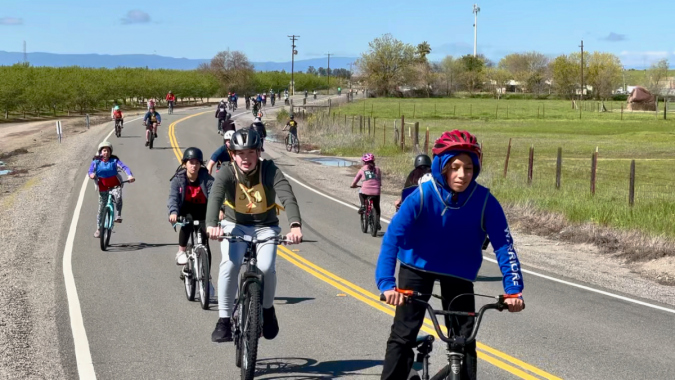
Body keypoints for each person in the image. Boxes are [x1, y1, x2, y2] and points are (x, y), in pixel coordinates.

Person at [376, 130, 525, 380]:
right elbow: (392, 238)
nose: (462, 175)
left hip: (458, 271)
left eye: (468, 168)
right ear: (443, 167)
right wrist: (387, 284)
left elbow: (504, 247)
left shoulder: (486, 201)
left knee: (464, 340)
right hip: (416, 266)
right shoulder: (422, 195)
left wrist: (514, 290)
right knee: (403, 335)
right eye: (455, 167)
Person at [205, 129, 303, 343]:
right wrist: (212, 225)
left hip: (265, 226)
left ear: (259, 151)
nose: (246, 158)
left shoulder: (269, 169)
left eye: (251, 152)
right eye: (241, 153)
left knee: (267, 267)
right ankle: (223, 320)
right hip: (235, 225)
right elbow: (215, 197)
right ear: (232, 154)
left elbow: (287, 195)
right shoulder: (227, 172)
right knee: (230, 264)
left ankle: (267, 310)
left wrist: (295, 225)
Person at [168, 147, 214, 267]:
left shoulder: (207, 179)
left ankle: (207, 279)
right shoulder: (178, 180)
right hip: (186, 210)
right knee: (187, 222)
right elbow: (173, 197)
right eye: (191, 162)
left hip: (203, 212)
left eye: (197, 163)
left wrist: (219, 209)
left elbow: (214, 196)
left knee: (205, 244)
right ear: (184, 164)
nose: (194, 165)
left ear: (200, 165)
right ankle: (181, 251)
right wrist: (173, 212)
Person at [88, 141, 135, 238]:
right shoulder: (96, 162)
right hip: (103, 187)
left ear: (110, 152)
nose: (106, 153)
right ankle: (99, 228)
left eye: (108, 151)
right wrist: (91, 174)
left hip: (115, 185)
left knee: (118, 198)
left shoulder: (114, 161)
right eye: (104, 150)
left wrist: (130, 176)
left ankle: (118, 215)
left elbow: (124, 167)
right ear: (100, 152)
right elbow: (90, 170)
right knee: (101, 208)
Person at [350, 153, 382, 227]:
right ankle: (377, 222)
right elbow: (379, 181)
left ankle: (363, 205)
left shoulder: (362, 169)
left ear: (364, 162)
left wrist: (353, 185)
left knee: (360, 192)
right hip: (376, 191)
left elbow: (355, 181)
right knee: (377, 207)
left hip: (365, 191)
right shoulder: (377, 169)